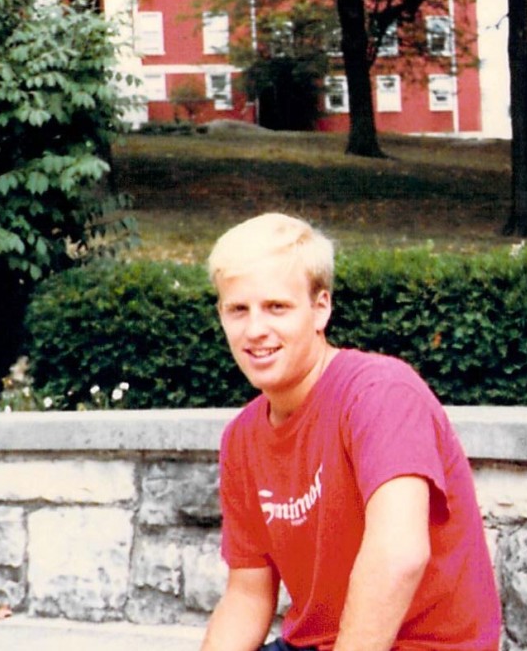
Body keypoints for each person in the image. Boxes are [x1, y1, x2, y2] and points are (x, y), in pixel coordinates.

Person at [201, 213, 501, 651]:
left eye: (277, 307)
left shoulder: (380, 394)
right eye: (238, 310)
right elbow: (247, 595)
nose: (255, 330)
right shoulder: (242, 437)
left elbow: (398, 555)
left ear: (321, 307)